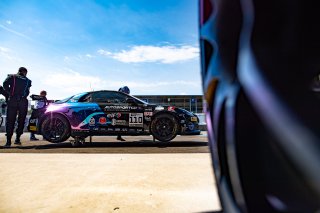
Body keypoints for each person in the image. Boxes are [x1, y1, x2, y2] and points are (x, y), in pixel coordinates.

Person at [3, 67, 32, 147]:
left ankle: (8, 142)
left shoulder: (12, 77)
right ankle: (17, 139)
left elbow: (4, 84)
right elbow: (27, 91)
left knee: (10, 121)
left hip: (12, 100)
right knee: (21, 121)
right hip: (23, 101)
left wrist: (10, 93)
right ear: (25, 72)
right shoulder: (28, 80)